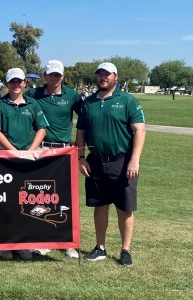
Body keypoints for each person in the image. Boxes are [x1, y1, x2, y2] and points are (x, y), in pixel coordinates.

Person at [76, 62, 146, 267]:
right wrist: (81, 157)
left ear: (116, 76)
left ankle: (125, 250)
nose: (102, 78)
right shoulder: (88, 103)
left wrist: (134, 160)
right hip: (96, 162)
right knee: (100, 205)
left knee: (124, 208)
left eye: (107, 75)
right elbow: (80, 133)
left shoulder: (127, 101)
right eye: (100, 75)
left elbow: (140, 130)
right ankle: (100, 247)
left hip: (122, 162)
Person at [0, 67, 49, 260]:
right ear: (7, 84)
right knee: (5, 202)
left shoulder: (33, 104)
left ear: (24, 83)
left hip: (28, 159)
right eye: (12, 81)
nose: (16, 85)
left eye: (19, 81)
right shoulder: (0, 104)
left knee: (25, 201)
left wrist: (30, 151)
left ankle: (22, 244)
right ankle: (5, 243)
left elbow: (42, 129)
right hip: (5, 159)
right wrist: (14, 152)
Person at [24, 59, 82, 259]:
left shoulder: (72, 96)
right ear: (45, 75)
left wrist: (79, 145)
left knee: (65, 197)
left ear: (63, 76)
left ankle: (67, 243)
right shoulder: (34, 94)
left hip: (64, 152)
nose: (54, 77)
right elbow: (11, 102)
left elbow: (87, 117)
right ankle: (45, 240)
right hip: (42, 150)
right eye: (51, 74)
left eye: (58, 74)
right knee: (43, 195)